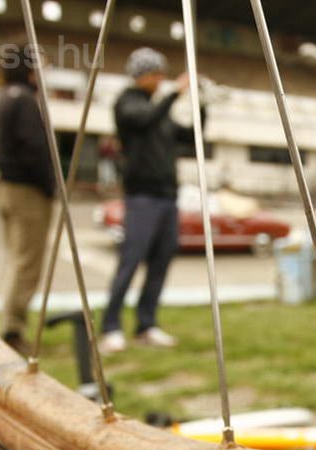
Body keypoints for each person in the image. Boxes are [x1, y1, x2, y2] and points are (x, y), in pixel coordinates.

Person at [99, 47, 202, 353]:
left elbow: (191, 136)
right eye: (157, 74)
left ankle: (146, 324)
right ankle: (111, 326)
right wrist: (175, 94)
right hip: (142, 196)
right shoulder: (128, 104)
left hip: (167, 196)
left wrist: (201, 105)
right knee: (130, 261)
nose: (161, 80)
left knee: (161, 261)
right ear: (141, 75)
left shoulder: (160, 112)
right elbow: (144, 120)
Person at [0, 44, 55, 355]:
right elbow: (35, 150)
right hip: (27, 191)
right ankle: (12, 331)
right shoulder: (25, 101)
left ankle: (9, 323)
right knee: (27, 262)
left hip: (6, 187)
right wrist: (50, 186)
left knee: (16, 259)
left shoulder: (3, 97)